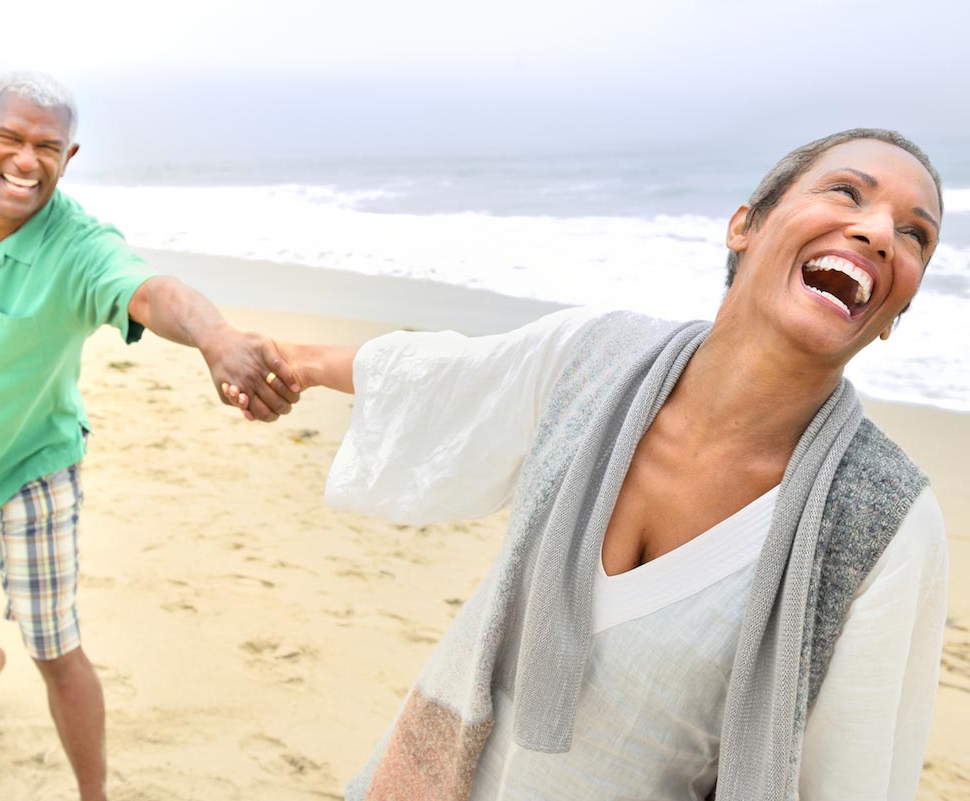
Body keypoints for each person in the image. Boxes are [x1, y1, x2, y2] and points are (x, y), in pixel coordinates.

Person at [225, 130, 948, 800]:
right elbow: (453, 373)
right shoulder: (599, 357)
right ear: (744, 225)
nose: (880, 232)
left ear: (892, 314)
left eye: (915, 233)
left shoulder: (886, 520)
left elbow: (853, 774)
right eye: (846, 192)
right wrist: (294, 364)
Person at [0, 71, 301, 801]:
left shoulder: (80, 246)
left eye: (47, 145)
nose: (25, 159)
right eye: (10, 137)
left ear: (69, 158)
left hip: (34, 464)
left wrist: (216, 336)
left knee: (55, 645)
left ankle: (92, 796)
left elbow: (151, 290)